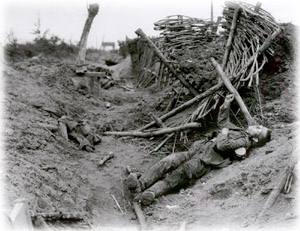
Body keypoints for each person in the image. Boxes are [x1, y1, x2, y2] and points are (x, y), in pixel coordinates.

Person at [125, 94, 271, 205]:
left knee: (177, 175)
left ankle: (150, 193)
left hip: (204, 161)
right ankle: (141, 184)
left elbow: (221, 145)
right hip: (197, 150)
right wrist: (226, 103)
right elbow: (222, 122)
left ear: (256, 139)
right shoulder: (241, 132)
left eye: (258, 129)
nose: (256, 125)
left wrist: (225, 133)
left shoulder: (244, 142)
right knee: (169, 160)